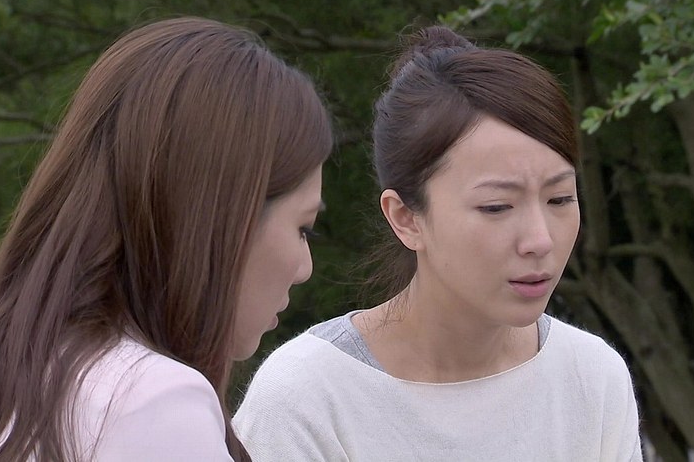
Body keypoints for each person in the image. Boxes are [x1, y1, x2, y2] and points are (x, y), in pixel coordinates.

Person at [233, 25, 643, 461]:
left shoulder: (591, 376)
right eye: (497, 207)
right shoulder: (306, 400)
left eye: (560, 199)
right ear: (406, 218)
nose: (540, 240)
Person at [0, 17, 331, 461]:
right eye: (303, 228)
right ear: (224, 216)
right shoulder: (150, 403)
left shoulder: (11, 372)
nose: (305, 269)